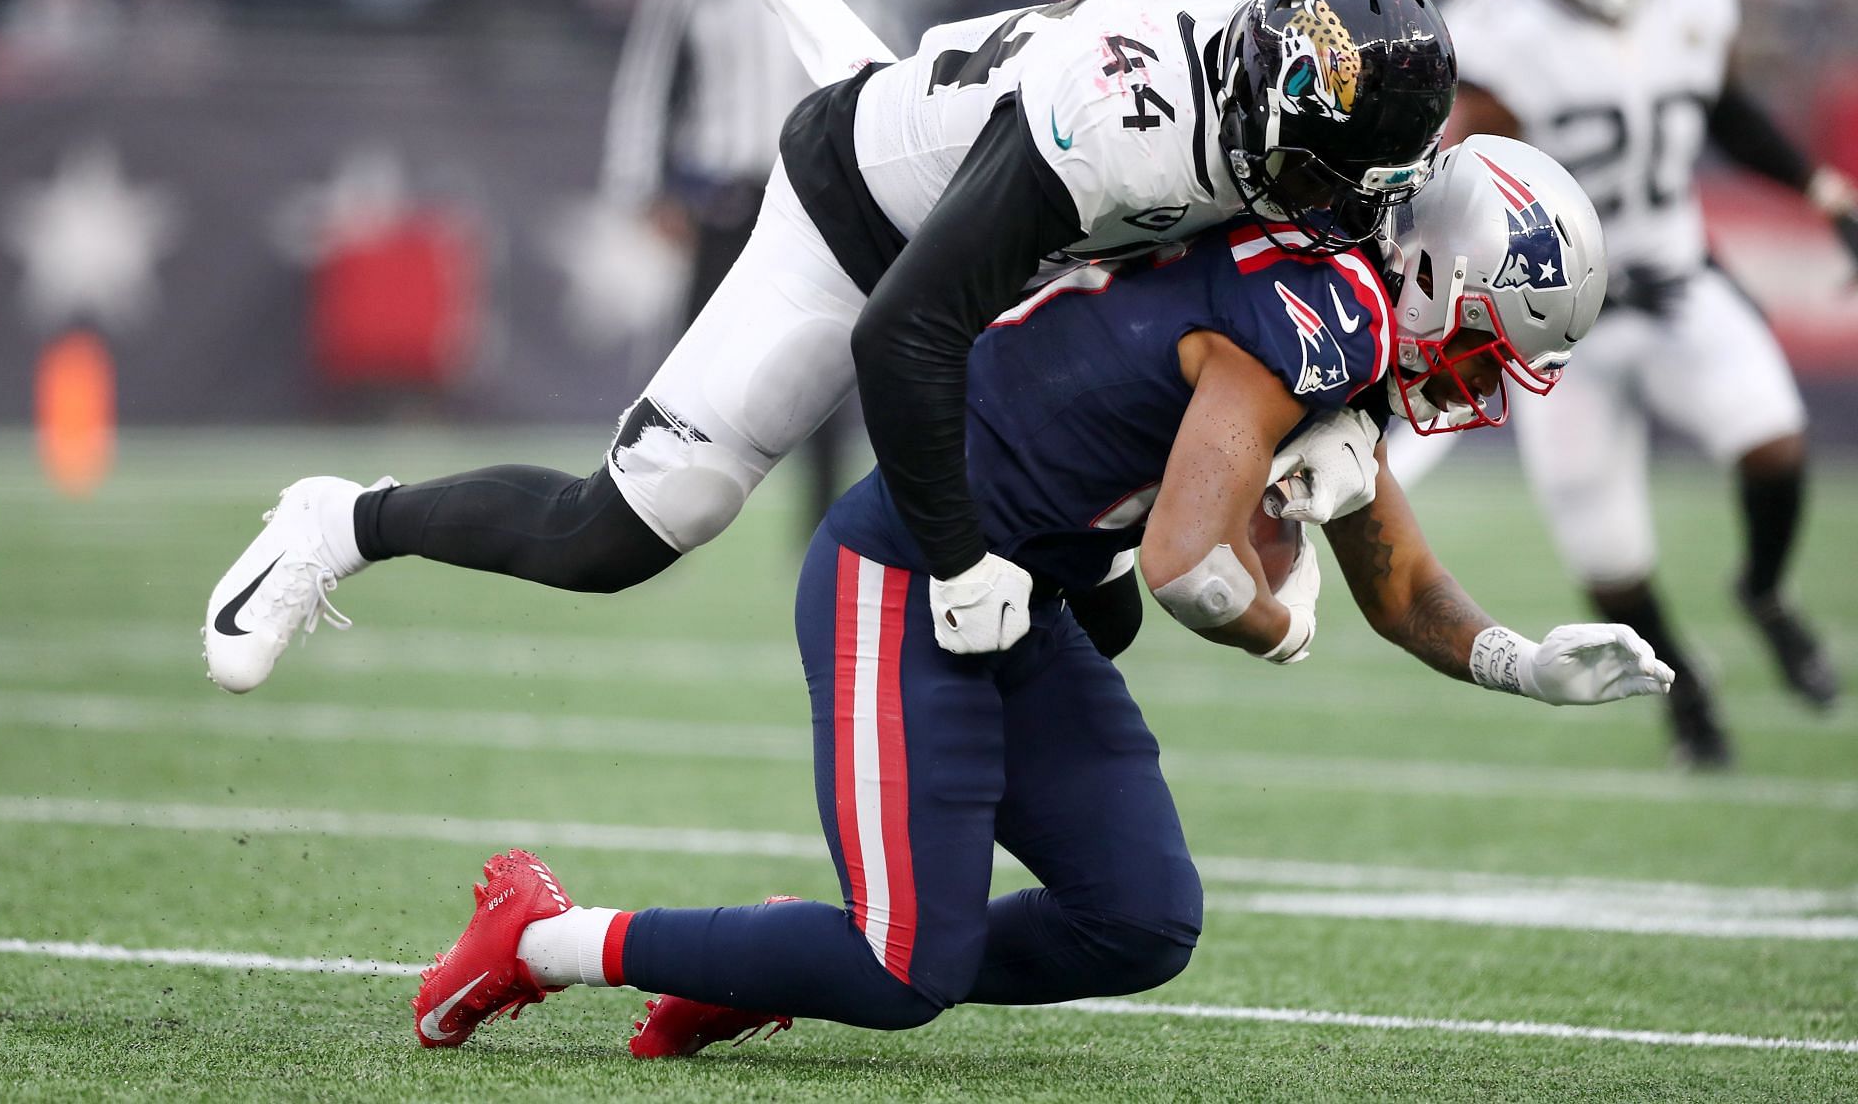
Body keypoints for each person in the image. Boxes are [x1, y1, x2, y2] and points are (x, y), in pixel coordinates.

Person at [407, 136, 1673, 1055]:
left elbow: (1400, 581)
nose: (1480, 383)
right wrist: (1289, 621)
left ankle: (789, 953)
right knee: (908, 970)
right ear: (1437, 276)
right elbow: (1190, 570)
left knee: (1139, 921)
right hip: (905, 574)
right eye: (1484, 344)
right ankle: (540, 938)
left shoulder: (1342, 314)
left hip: (1025, 602)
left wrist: (1522, 662)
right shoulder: (1304, 318)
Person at [203, 0, 1458, 692]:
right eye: (1315, 176)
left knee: (1098, 607)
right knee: (630, 528)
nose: (1329, 213)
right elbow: (901, 335)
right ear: (1255, 95)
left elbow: (1254, 311)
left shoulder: (1284, 62)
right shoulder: (1129, 127)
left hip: (1028, 246)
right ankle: (341, 521)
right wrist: (961, 561)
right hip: (867, 221)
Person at [1393, 0, 1855, 767]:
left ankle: (1762, 593)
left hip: (1677, 280)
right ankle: (1689, 697)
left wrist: (1821, 190)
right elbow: (1469, 175)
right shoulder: (1498, 28)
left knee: (1775, 441)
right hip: (1556, 325)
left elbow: (1723, 111)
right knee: (1608, 556)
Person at [598, 0, 896, 533]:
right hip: (725, 198)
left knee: (824, 359)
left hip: (822, 201)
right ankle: (649, 510)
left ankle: (820, 520)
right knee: (695, 360)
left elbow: (884, 86)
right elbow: (647, 88)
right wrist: (644, 189)